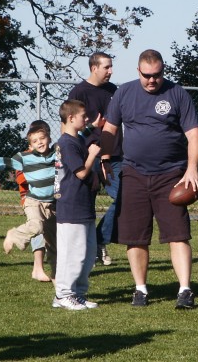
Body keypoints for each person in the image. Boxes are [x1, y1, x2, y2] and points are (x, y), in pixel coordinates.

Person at [100, 49, 198, 309]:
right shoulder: (124, 93)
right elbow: (110, 129)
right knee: (135, 237)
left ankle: (185, 290)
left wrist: (191, 169)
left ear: (163, 71)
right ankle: (140, 290)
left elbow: (193, 134)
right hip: (133, 172)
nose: (152, 81)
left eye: (156, 75)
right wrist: (104, 158)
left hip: (171, 174)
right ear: (138, 71)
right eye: (147, 76)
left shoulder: (177, 93)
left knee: (178, 234)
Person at [0, 121, 59, 279]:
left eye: (42, 138)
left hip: (51, 204)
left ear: (49, 138)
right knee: (36, 225)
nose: (40, 143)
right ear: (30, 145)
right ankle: (14, 235)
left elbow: (75, 139)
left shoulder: (55, 154)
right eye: (35, 141)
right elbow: (6, 161)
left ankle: (58, 278)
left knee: (54, 243)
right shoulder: (25, 158)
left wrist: (90, 128)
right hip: (33, 201)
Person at [68, 52, 121, 266]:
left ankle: (100, 240)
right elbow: (69, 126)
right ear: (93, 68)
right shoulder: (79, 92)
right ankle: (87, 252)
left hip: (115, 157)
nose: (110, 71)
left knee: (125, 197)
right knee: (86, 208)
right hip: (88, 158)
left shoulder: (113, 90)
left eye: (111, 67)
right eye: (106, 67)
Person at [52, 99, 101, 310]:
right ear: (71, 118)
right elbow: (81, 172)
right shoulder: (66, 143)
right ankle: (63, 294)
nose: (86, 118)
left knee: (88, 254)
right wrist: (91, 156)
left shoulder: (78, 139)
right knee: (73, 253)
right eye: (83, 116)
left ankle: (78, 293)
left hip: (84, 205)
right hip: (71, 206)